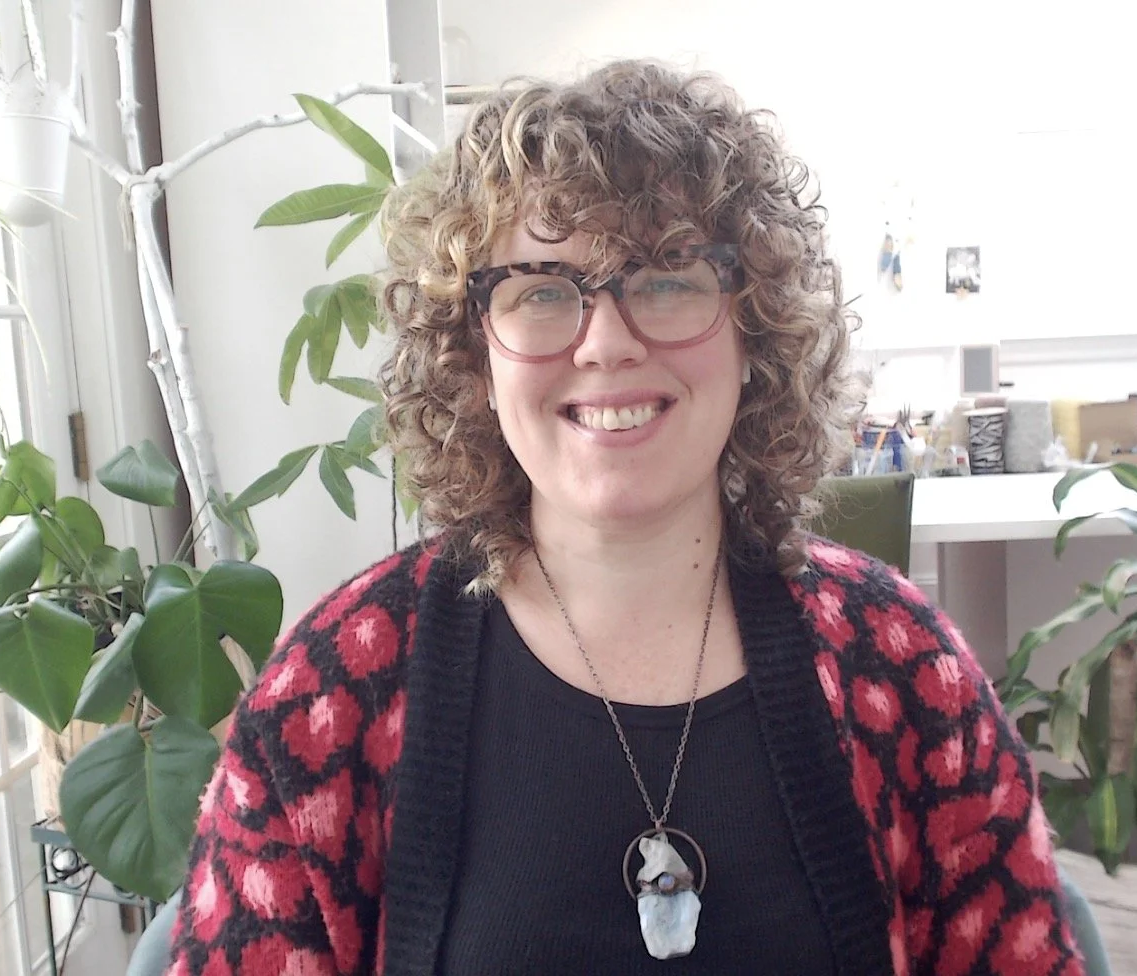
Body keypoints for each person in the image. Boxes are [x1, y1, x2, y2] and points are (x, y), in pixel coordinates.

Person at [165, 60, 1086, 976]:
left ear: (754, 331)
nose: (606, 342)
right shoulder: (328, 697)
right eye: (540, 289)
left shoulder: (901, 665)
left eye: (667, 278)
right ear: (473, 349)